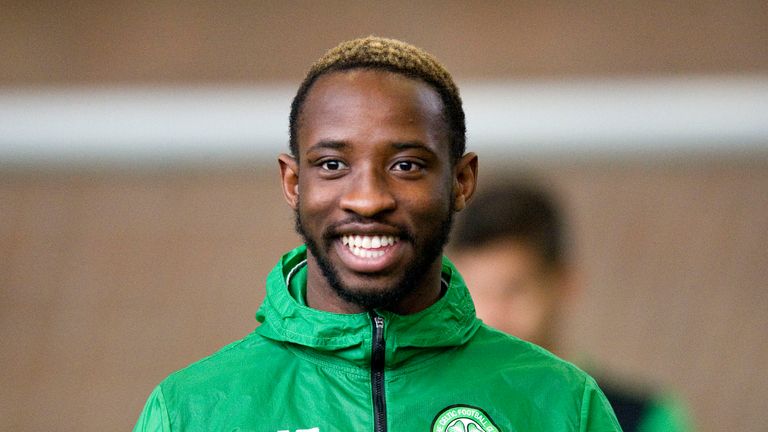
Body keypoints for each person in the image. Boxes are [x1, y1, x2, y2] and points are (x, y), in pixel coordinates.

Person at [133, 37, 621, 431]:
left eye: (406, 165)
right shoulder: (189, 411)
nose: (367, 200)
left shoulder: (563, 404)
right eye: (332, 165)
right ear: (293, 183)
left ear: (461, 181)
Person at [451, 180, 693, 432]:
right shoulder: (438, 406)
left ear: (564, 284)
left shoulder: (640, 420)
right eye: (476, 290)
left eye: (513, 290)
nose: (492, 314)